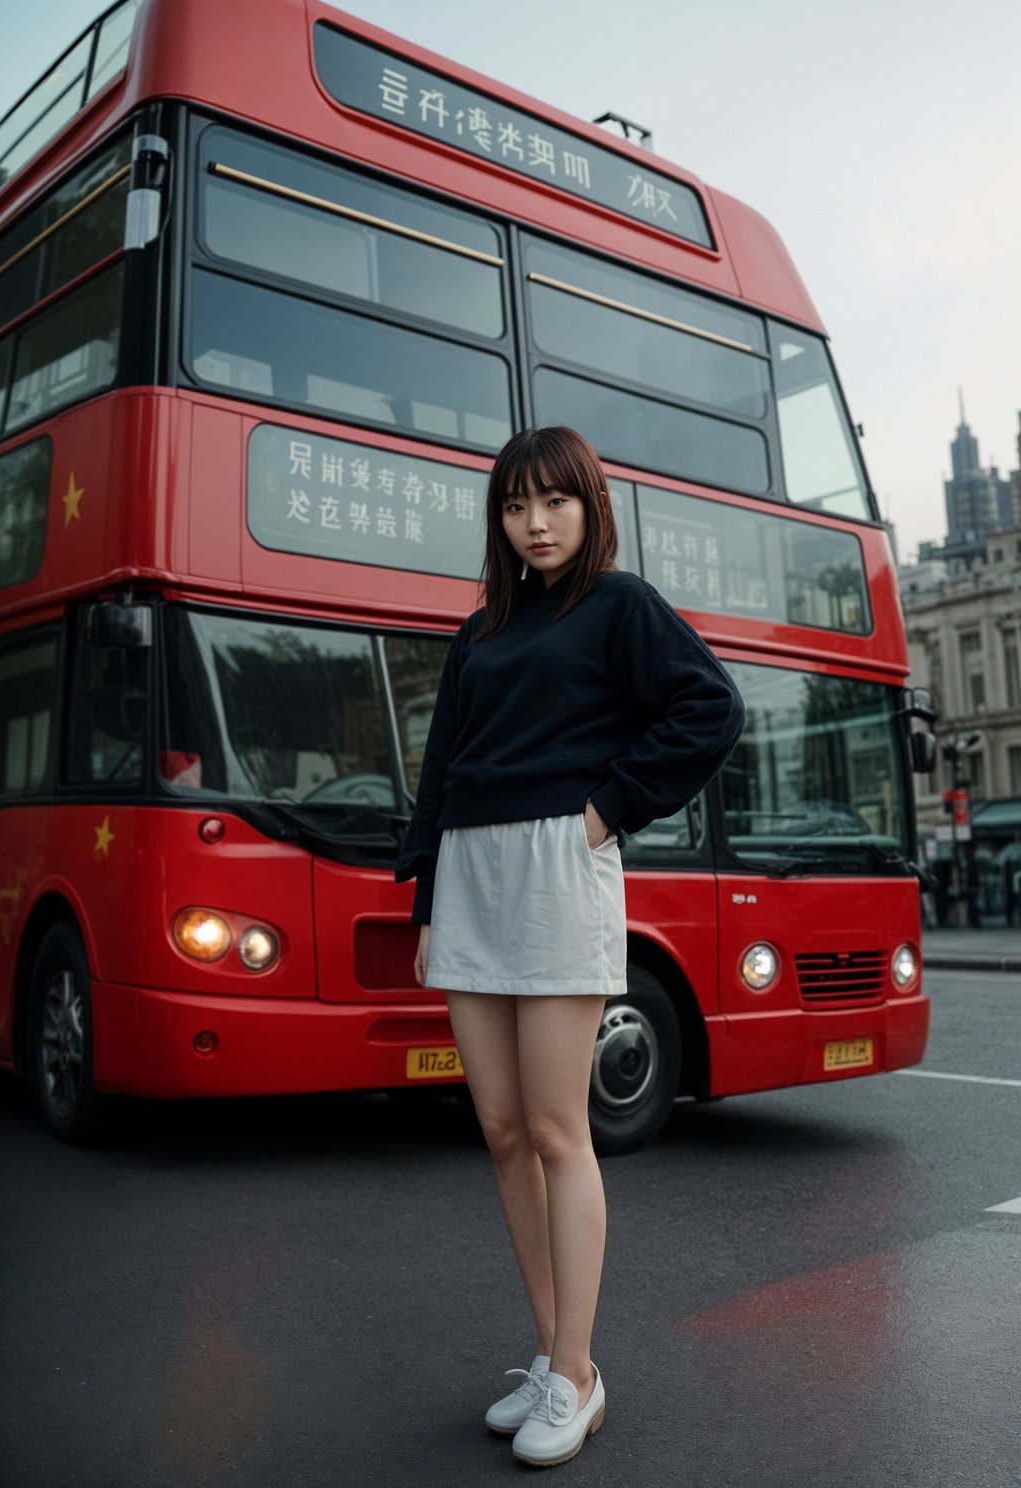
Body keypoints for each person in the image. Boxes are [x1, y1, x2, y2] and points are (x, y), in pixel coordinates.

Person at [393, 426, 745, 1468]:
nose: (533, 523)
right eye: (513, 507)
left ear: (589, 506)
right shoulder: (481, 631)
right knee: (500, 1130)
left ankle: (582, 1374)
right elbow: (441, 766)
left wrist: (603, 813)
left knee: (557, 1129)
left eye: (553, 502)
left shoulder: (619, 607)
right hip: (470, 872)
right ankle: (552, 1358)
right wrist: (424, 906)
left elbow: (709, 708)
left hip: (556, 866)